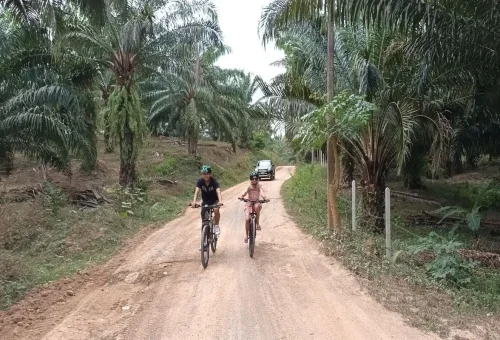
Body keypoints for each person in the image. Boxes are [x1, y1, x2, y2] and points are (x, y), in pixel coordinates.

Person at [191, 165, 223, 236]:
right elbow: (197, 191)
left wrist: (220, 201)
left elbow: (218, 191)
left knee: (216, 210)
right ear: (202, 174)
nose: (206, 175)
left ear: (210, 174)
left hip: (215, 200)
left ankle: (217, 226)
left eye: (208, 173)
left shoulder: (214, 181)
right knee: (204, 217)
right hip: (206, 201)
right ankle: (204, 238)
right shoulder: (200, 182)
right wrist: (194, 201)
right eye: (204, 174)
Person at [239, 171, 268, 243]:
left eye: (256, 179)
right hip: (249, 202)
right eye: (253, 179)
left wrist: (265, 198)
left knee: (257, 207)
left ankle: (257, 224)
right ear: (251, 179)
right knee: (247, 219)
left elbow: (262, 192)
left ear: (258, 179)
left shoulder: (259, 186)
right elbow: (245, 192)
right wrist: (241, 196)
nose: (254, 180)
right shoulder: (249, 186)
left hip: (256, 202)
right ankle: (246, 234)